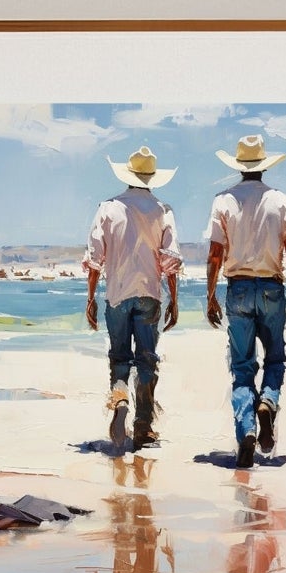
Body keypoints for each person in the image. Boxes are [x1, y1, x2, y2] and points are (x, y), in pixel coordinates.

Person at [205, 135, 286, 468]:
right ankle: (267, 402)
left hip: (236, 288)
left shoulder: (223, 201)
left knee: (241, 369)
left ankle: (247, 431)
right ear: (264, 167)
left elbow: (214, 254)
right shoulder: (280, 201)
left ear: (239, 167)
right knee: (276, 359)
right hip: (271, 288)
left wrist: (210, 295)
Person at [83, 146, 181, 451]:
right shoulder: (163, 210)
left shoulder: (108, 208)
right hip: (149, 294)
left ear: (127, 175)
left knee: (119, 357)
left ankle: (120, 396)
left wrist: (90, 298)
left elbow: (95, 259)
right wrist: (174, 300)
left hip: (117, 295)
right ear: (151, 177)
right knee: (147, 360)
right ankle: (142, 427)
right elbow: (170, 262)